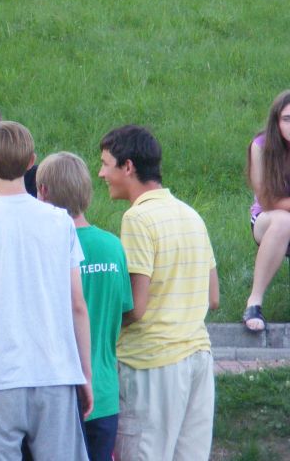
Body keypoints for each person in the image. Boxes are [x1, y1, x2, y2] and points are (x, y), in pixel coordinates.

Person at [0, 121, 92, 461]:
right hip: (55, 371)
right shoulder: (60, 221)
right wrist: (84, 372)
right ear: (31, 162)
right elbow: (77, 304)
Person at [98, 125, 219, 461]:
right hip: (198, 359)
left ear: (128, 166)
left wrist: (97, 323)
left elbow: (136, 309)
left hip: (151, 365)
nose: (101, 173)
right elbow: (213, 297)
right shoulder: (191, 214)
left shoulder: (137, 218)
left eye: (106, 164)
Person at [36, 152, 133, 461]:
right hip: (104, 392)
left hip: (58, 391)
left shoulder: (46, 247)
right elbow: (124, 309)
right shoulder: (112, 246)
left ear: (43, 192)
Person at [243, 89, 290, 332]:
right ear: (276, 121)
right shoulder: (261, 146)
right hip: (268, 220)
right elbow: (267, 200)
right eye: (287, 119)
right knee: (283, 221)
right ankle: (254, 302)